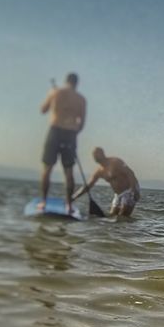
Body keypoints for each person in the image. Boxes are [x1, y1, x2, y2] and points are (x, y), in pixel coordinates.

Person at [38, 73, 86, 209]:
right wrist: (73, 134)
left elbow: (43, 110)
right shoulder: (81, 99)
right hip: (71, 134)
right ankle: (69, 205)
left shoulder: (56, 92)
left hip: (55, 131)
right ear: (77, 83)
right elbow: (82, 124)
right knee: (69, 171)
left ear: (66, 81)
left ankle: (43, 202)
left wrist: (52, 95)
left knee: (47, 169)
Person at [74, 146, 141, 218]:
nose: (95, 157)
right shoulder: (99, 171)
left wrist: (133, 190)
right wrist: (74, 197)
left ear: (102, 154)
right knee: (112, 216)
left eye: (97, 154)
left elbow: (130, 173)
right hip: (118, 195)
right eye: (94, 155)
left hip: (129, 190)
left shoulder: (115, 161)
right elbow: (88, 186)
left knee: (123, 216)